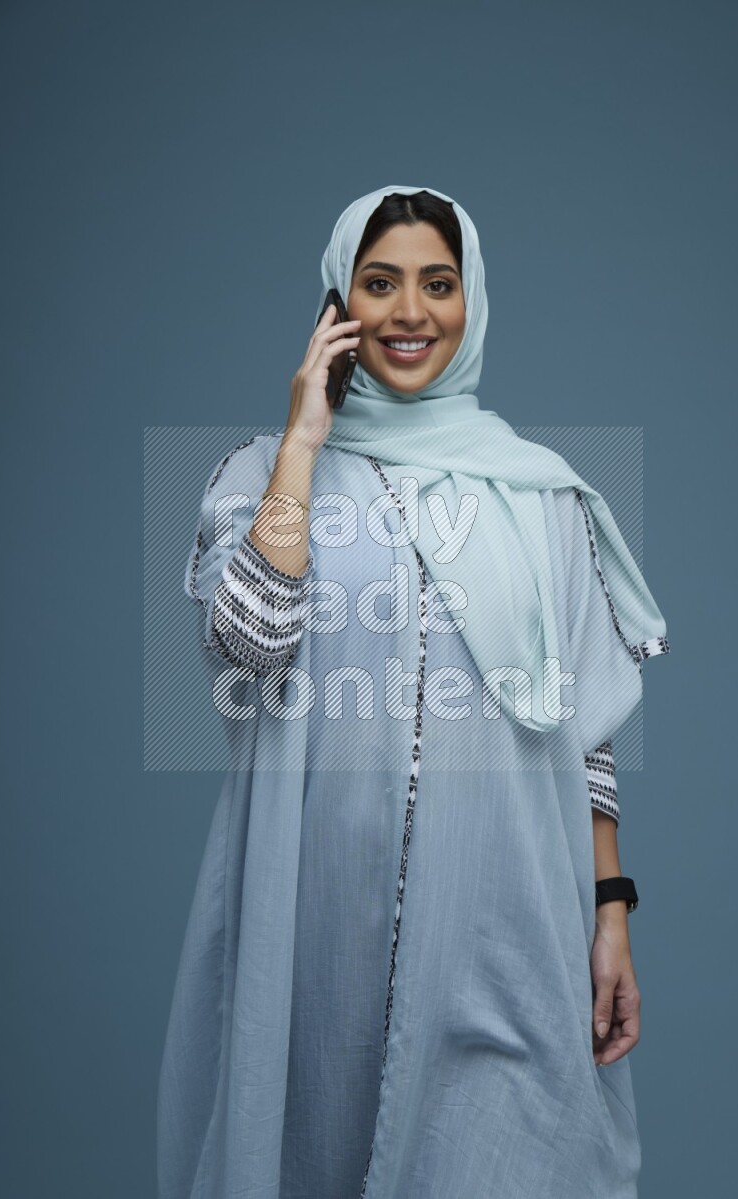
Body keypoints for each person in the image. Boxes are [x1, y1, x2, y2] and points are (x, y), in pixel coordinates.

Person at [157, 184, 670, 1199]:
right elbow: (246, 648)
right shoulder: (261, 478)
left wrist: (608, 908)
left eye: (437, 284)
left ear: (469, 302)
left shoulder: (540, 495)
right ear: (334, 301)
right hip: (315, 936)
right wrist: (304, 440)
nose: (408, 312)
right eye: (378, 282)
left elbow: (579, 732)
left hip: (506, 926)